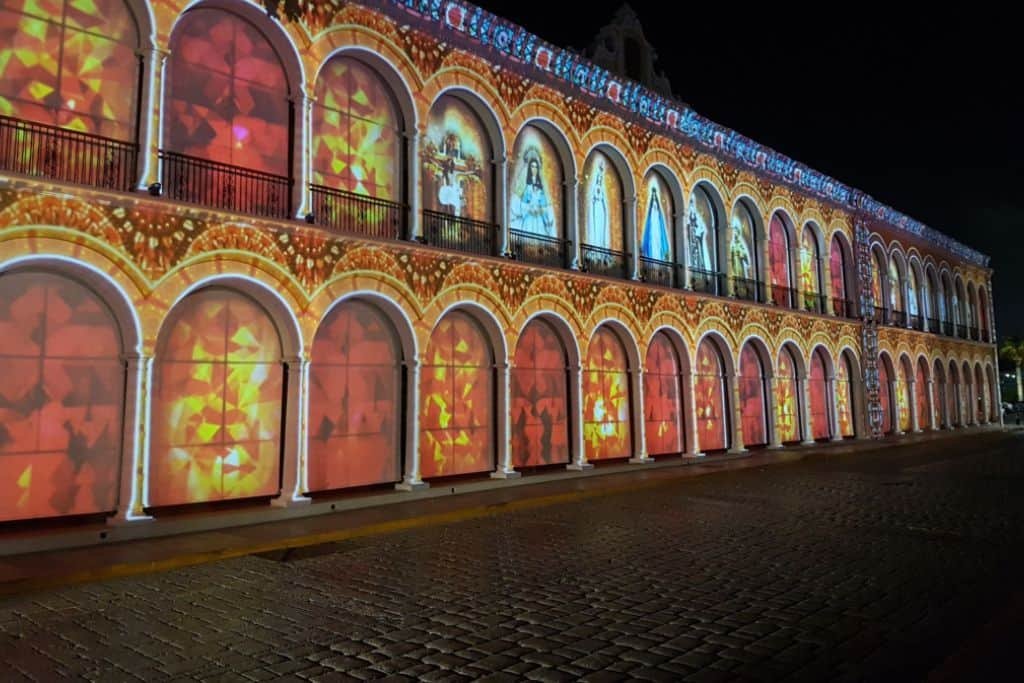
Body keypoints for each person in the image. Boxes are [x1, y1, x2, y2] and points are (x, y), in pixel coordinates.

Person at [509, 148, 557, 237]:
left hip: (539, 219)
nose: (534, 169)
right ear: (529, 168)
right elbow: (522, 203)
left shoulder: (541, 189)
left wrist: (541, 210)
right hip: (529, 218)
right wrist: (529, 208)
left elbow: (545, 205)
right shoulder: (527, 187)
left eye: (536, 167)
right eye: (532, 166)